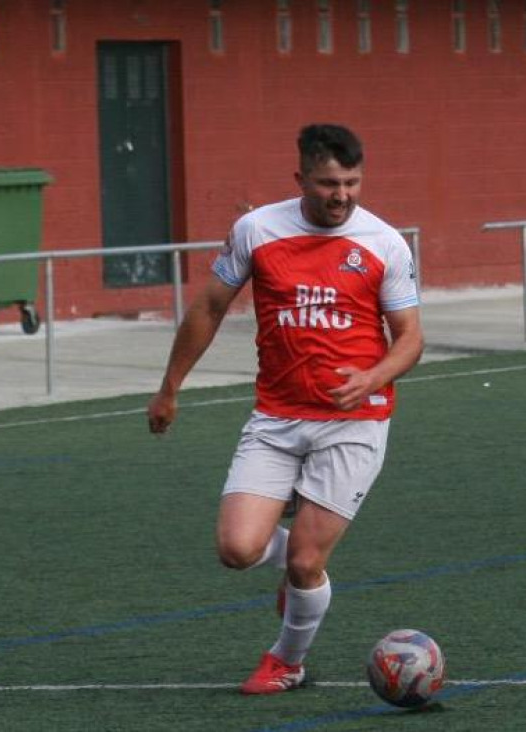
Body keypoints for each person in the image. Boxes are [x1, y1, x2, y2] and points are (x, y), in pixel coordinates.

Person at [147, 124, 424, 695]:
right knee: (237, 550)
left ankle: (286, 661)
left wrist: (373, 375)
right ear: (300, 178)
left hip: (355, 422)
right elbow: (210, 307)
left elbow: (411, 339)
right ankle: (294, 569)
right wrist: (170, 386)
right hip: (276, 417)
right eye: (327, 183)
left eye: (351, 182)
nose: (341, 195)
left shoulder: (385, 243)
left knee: (305, 563)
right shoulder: (257, 230)